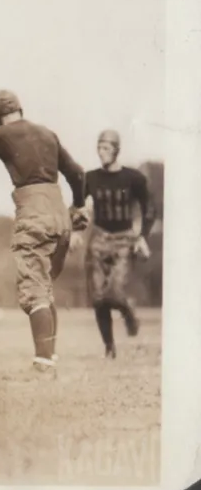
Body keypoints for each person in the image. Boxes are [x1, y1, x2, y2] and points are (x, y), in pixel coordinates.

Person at [0, 90, 88, 377]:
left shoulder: (1, 134)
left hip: (33, 212)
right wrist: (77, 207)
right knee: (45, 287)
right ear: (21, 108)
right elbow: (77, 173)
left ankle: (43, 363)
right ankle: (49, 355)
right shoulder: (47, 133)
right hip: (59, 213)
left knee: (34, 289)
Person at [77, 129, 154, 358]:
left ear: (116, 150)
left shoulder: (133, 178)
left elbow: (149, 206)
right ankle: (109, 346)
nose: (102, 153)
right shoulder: (90, 178)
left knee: (115, 291)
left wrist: (142, 237)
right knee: (98, 297)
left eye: (107, 148)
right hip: (99, 238)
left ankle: (128, 312)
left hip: (123, 239)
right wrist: (75, 230)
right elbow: (78, 205)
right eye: (99, 148)